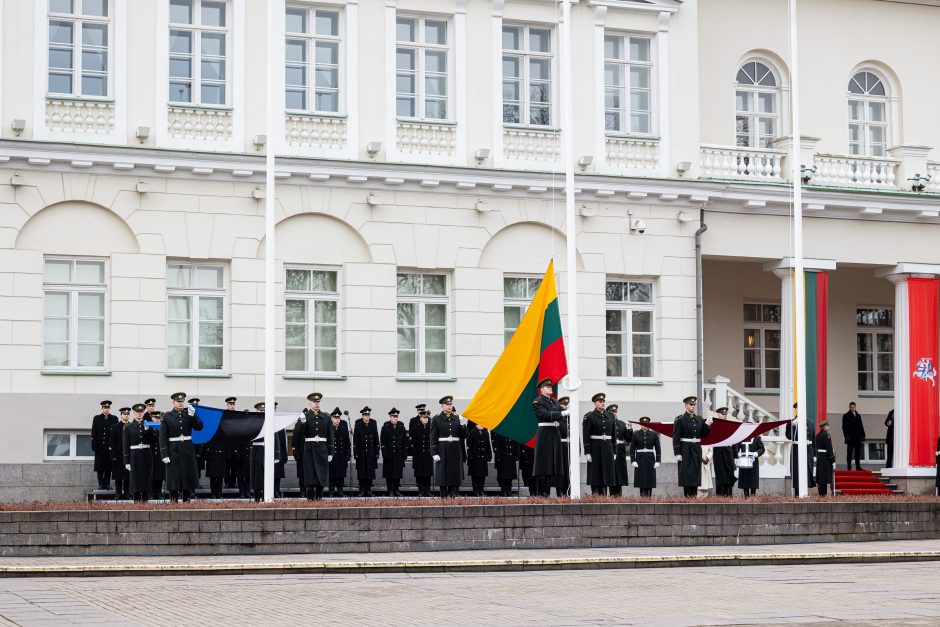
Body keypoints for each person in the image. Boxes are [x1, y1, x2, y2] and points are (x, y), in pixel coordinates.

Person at [159, 392, 204, 502]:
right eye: (178, 401)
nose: (180, 403)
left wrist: (194, 417)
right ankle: (173, 502)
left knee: (187, 478)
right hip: (173, 451)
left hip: (187, 450)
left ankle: (186, 501)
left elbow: (199, 427)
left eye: (182, 401)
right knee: (174, 478)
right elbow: (163, 437)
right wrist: (164, 454)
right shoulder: (167, 416)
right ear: (173, 402)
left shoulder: (188, 414)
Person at [532, 378, 568, 497]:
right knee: (544, 464)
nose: (550, 388)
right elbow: (545, 414)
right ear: (542, 389)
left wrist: (566, 410)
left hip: (554, 433)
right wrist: (562, 413)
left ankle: (553, 492)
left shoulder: (555, 402)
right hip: (545, 433)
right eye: (548, 387)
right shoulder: (538, 402)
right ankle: (543, 493)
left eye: (551, 386)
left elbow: (561, 414)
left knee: (554, 464)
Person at [672, 395, 710, 498]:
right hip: (685, 449)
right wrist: (677, 453)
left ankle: (694, 497)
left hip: (696, 449)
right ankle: (687, 497)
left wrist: (708, 425)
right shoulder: (680, 419)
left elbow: (704, 435)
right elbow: (676, 437)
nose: (693, 406)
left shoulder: (699, 419)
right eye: (691, 405)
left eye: (694, 405)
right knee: (686, 474)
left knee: (695, 474)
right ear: (686, 406)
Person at [430, 395, 465, 498]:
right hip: (443, 450)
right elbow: (433, 437)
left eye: (451, 404)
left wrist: (463, 424)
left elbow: (464, 436)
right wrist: (434, 453)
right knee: (443, 476)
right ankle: (444, 498)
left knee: (454, 475)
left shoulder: (457, 418)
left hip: (455, 450)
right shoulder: (437, 419)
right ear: (442, 406)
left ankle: (453, 496)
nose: (449, 406)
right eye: (447, 404)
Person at [298, 392, 332, 500]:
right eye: (314, 402)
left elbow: (330, 436)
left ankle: (319, 501)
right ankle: (310, 501)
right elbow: (299, 434)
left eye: (318, 402)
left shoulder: (326, 417)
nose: (316, 404)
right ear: (309, 403)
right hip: (309, 450)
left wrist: (331, 452)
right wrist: (302, 423)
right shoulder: (306, 416)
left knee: (320, 478)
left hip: (322, 450)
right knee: (310, 477)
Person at [582, 392, 616, 495]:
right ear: (595, 403)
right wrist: (587, 452)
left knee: (607, 472)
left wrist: (615, 451)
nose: (602, 403)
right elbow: (586, 435)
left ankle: (605, 495)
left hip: (607, 447)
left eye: (603, 402)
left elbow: (613, 435)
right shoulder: (590, 416)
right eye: (600, 402)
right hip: (595, 448)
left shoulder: (610, 416)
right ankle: (596, 495)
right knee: (595, 473)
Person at [249, 402, 284, 502]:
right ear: (257, 411)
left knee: (267, 475)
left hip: (267, 450)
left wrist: (277, 454)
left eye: (264, 411)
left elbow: (275, 439)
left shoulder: (270, 422)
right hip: (256, 451)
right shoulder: (252, 422)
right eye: (261, 411)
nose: (263, 412)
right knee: (257, 476)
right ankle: (256, 498)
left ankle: (266, 498)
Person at [123, 403, 156, 502]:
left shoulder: (148, 425)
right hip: (134, 456)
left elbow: (154, 440)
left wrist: (147, 430)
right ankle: (136, 501)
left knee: (146, 478)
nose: (139, 414)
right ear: (134, 413)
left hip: (146, 455)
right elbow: (125, 446)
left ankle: (145, 500)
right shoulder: (128, 427)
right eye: (138, 412)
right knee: (135, 479)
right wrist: (126, 461)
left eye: (141, 412)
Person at [785, 403, 815, 495]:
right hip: (796, 449)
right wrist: (790, 425)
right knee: (797, 471)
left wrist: (815, 454)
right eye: (797, 408)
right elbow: (789, 437)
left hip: (807, 450)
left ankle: (805, 492)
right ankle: (798, 493)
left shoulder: (810, 423)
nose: (799, 410)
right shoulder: (792, 422)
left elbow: (813, 439)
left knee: (807, 471)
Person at [629, 417, 660, 497]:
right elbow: (632, 448)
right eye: (643, 424)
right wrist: (633, 460)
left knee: (650, 478)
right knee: (641, 479)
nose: (644, 426)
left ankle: (649, 497)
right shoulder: (636, 434)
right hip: (640, 458)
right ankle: (642, 497)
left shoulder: (654, 434)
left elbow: (658, 448)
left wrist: (658, 461)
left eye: (646, 424)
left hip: (650, 459)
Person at [381, 408, 408, 496]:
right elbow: (383, 442)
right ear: (390, 417)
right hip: (389, 455)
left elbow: (404, 442)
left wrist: (404, 454)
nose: (395, 418)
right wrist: (385, 454)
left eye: (396, 416)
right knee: (389, 474)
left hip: (398, 454)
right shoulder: (385, 428)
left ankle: (396, 489)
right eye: (393, 416)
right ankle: (390, 490)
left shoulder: (401, 427)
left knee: (397, 473)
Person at [353, 406, 380, 497]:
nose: (367, 417)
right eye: (365, 415)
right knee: (362, 473)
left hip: (370, 453)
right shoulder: (358, 425)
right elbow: (355, 441)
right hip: (361, 454)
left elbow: (376, 440)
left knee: (370, 473)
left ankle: (368, 490)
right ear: (362, 416)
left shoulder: (373, 425)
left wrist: (377, 452)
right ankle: (361, 490)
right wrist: (356, 453)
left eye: (368, 415)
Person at [91, 400, 116, 490]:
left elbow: (115, 434)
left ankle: (107, 483)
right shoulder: (97, 418)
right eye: (105, 408)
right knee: (100, 467)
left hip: (109, 447)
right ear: (102, 408)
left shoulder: (114, 418)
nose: (106, 409)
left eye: (108, 408)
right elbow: (93, 433)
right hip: (99, 447)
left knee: (108, 467)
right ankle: (101, 484)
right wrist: (94, 446)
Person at [712, 407, 736, 497]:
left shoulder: (730, 425)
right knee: (721, 476)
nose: (725, 416)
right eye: (723, 414)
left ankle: (729, 495)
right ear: (718, 414)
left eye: (726, 414)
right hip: (719, 455)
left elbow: (735, 441)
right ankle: (720, 496)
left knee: (729, 475)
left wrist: (735, 456)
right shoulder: (714, 425)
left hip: (728, 454)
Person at [328, 408, 351, 497]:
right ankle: (331, 491)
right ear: (332, 418)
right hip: (332, 456)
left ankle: (340, 491)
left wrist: (348, 455)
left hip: (341, 456)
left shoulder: (344, 428)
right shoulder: (329, 428)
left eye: (338, 418)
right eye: (335, 418)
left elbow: (347, 443)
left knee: (340, 475)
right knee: (331, 475)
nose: (337, 420)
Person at [409, 410, 434, 496]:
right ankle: (421, 490)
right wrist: (414, 454)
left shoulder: (431, 427)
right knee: (419, 474)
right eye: (424, 418)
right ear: (420, 418)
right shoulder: (415, 428)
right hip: (419, 454)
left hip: (428, 454)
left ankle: (427, 490)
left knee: (428, 474)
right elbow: (413, 443)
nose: (426, 419)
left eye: (427, 417)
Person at [610, 404, 632, 497]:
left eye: (615, 412)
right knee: (611, 473)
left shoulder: (621, 423)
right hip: (610, 449)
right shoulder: (607, 423)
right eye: (612, 412)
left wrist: (629, 429)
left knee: (619, 473)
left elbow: (628, 439)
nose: (614, 413)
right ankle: (611, 494)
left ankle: (619, 495)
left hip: (620, 450)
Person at [466, 421, 492, 497]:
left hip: (483, 458)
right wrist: (470, 456)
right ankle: (476, 491)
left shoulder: (486, 433)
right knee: (475, 476)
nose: (482, 426)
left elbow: (488, 445)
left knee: (482, 476)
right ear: (476, 425)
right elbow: (469, 446)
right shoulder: (472, 433)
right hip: (475, 458)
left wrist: (489, 455)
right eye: (480, 424)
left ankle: (481, 490)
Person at [110, 407, 131, 500]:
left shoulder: (131, 426)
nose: (126, 416)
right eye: (124, 414)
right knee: (118, 476)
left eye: (127, 414)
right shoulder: (115, 427)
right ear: (121, 415)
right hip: (118, 455)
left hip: (129, 455)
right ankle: (118, 493)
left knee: (128, 476)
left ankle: (127, 493)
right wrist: (113, 455)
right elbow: (111, 443)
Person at [146, 400, 165, 500]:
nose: (157, 420)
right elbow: (148, 439)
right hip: (151, 454)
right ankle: (151, 493)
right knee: (152, 475)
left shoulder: (162, 428)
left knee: (160, 475)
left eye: (158, 418)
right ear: (151, 418)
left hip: (160, 454)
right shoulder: (148, 428)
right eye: (155, 418)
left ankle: (158, 492)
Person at [491, 430, 518, 497]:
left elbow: (516, 445)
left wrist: (517, 455)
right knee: (503, 476)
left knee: (510, 476)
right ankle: (504, 490)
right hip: (502, 458)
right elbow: (496, 446)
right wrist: (497, 456)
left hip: (510, 458)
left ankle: (509, 490)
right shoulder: (500, 433)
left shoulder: (513, 433)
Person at [842, 402, 866, 471]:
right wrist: (846, 436)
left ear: (855, 407)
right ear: (849, 407)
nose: (852, 408)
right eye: (851, 407)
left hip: (858, 437)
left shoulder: (858, 415)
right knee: (849, 453)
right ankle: (849, 466)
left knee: (857, 453)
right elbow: (844, 427)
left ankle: (858, 466)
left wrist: (863, 435)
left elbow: (861, 426)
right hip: (850, 438)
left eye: (854, 407)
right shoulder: (846, 415)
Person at [815, 420, 837, 496]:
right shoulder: (827, 435)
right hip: (826, 458)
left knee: (820, 476)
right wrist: (833, 460)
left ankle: (821, 492)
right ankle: (824, 493)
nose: (829, 427)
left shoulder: (817, 436)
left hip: (819, 457)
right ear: (824, 427)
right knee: (825, 476)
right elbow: (829, 449)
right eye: (828, 425)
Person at [555, 396, 571, 496]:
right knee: (561, 472)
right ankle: (560, 493)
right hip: (560, 447)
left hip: (569, 447)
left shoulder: (570, 418)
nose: (565, 407)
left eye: (566, 405)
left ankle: (569, 492)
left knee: (569, 472)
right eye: (563, 405)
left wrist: (577, 450)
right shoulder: (558, 417)